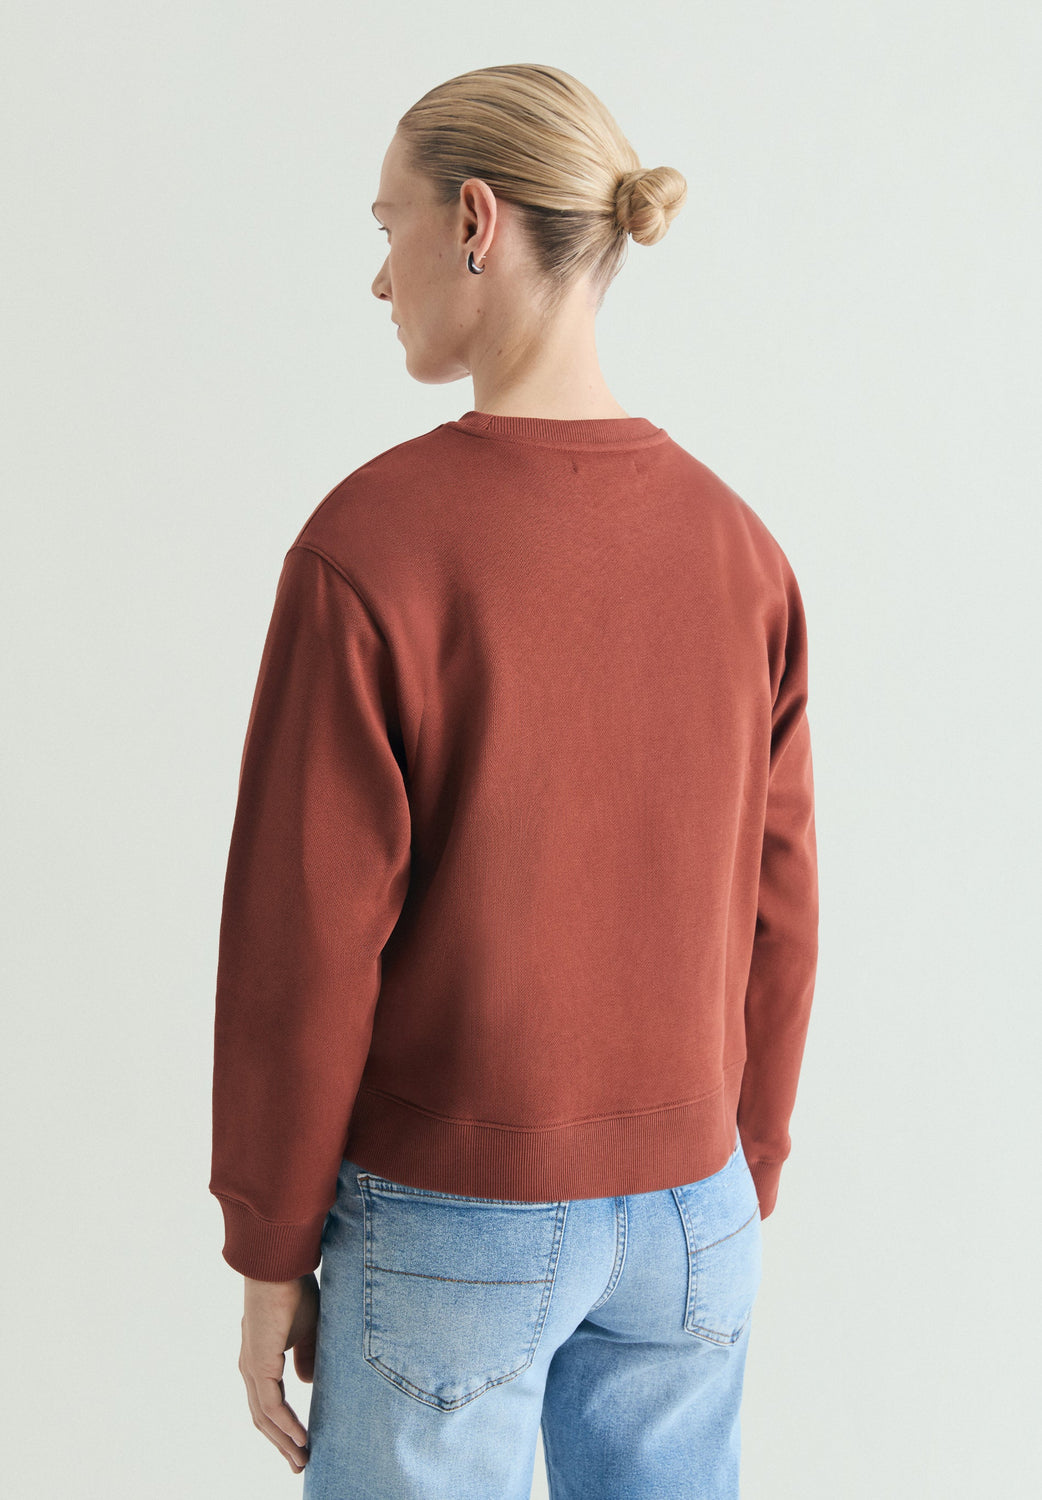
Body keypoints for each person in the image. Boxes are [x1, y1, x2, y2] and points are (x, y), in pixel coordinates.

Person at [209, 63, 819, 1498]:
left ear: (475, 221)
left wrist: (269, 1244)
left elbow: (305, 939)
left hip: (455, 1213)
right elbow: (780, 900)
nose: (380, 279)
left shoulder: (374, 544)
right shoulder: (737, 546)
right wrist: (737, 1172)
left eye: (390, 227)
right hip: (693, 1206)